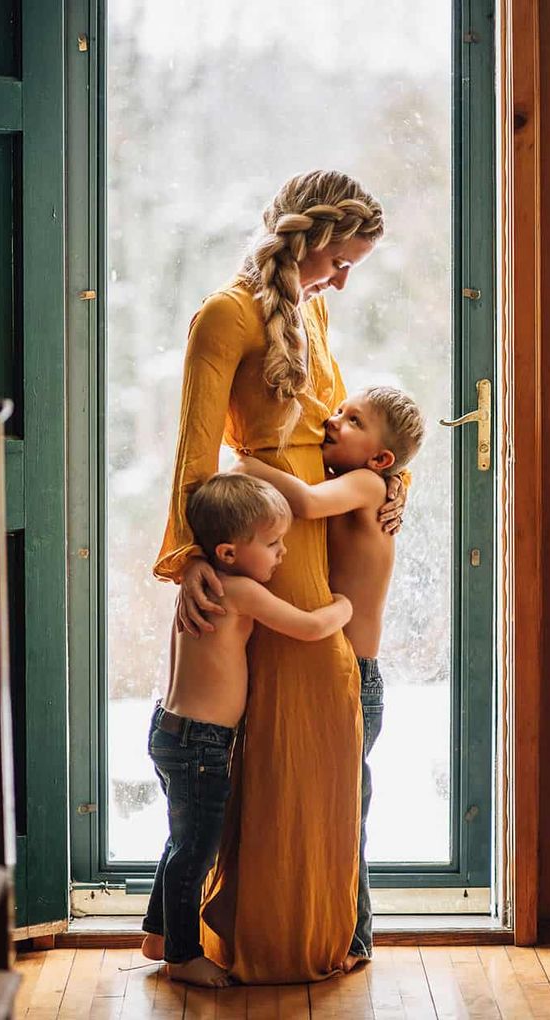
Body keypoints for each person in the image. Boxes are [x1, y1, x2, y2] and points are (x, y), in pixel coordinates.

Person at [153, 170, 405, 983]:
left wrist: (384, 492)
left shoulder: (314, 308)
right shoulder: (224, 316)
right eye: (342, 260)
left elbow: (338, 435)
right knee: (281, 740)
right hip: (265, 535)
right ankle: (259, 934)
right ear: (311, 240)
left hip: (319, 527)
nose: (344, 278)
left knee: (320, 741)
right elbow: (196, 452)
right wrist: (192, 557)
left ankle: (315, 925)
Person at [233, 385, 425, 968]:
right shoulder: (372, 481)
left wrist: (251, 462)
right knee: (334, 806)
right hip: (337, 675)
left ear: (381, 459)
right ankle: (346, 931)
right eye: (340, 411)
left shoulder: (366, 485)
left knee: (346, 809)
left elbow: (310, 505)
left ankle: (356, 937)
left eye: (352, 419)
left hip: (357, 681)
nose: (333, 422)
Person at [141, 473, 352, 987]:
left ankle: (159, 934)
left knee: (181, 840)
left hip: (173, 732)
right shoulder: (237, 591)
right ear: (230, 553)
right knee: (196, 849)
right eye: (274, 543)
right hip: (202, 744)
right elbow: (307, 627)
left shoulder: (203, 586)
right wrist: (345, 606)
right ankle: (184, 957)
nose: (283, 553)